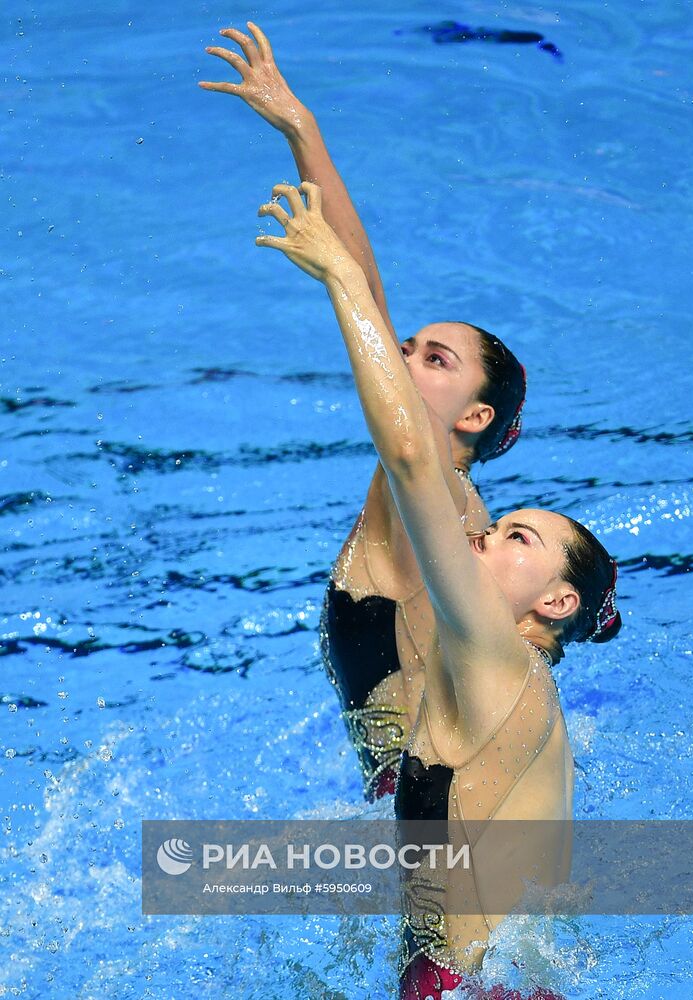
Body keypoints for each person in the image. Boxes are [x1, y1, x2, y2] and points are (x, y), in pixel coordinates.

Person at [254, 181, 621, 999]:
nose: (481, 536)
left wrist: (343, 278)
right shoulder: (516, 677)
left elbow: (413, 452)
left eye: (514, 538)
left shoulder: (493, 654)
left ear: (553, 604)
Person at [200, 24, 526, 800]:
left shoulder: (434, 490)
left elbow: (366, 299)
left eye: (435, 359)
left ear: (474, 418)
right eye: (409, 346)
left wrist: (303, 133)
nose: (404, 354)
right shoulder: (431, 495)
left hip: (439, 809)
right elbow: (371, 305)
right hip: (424, 801)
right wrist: (299, 128)